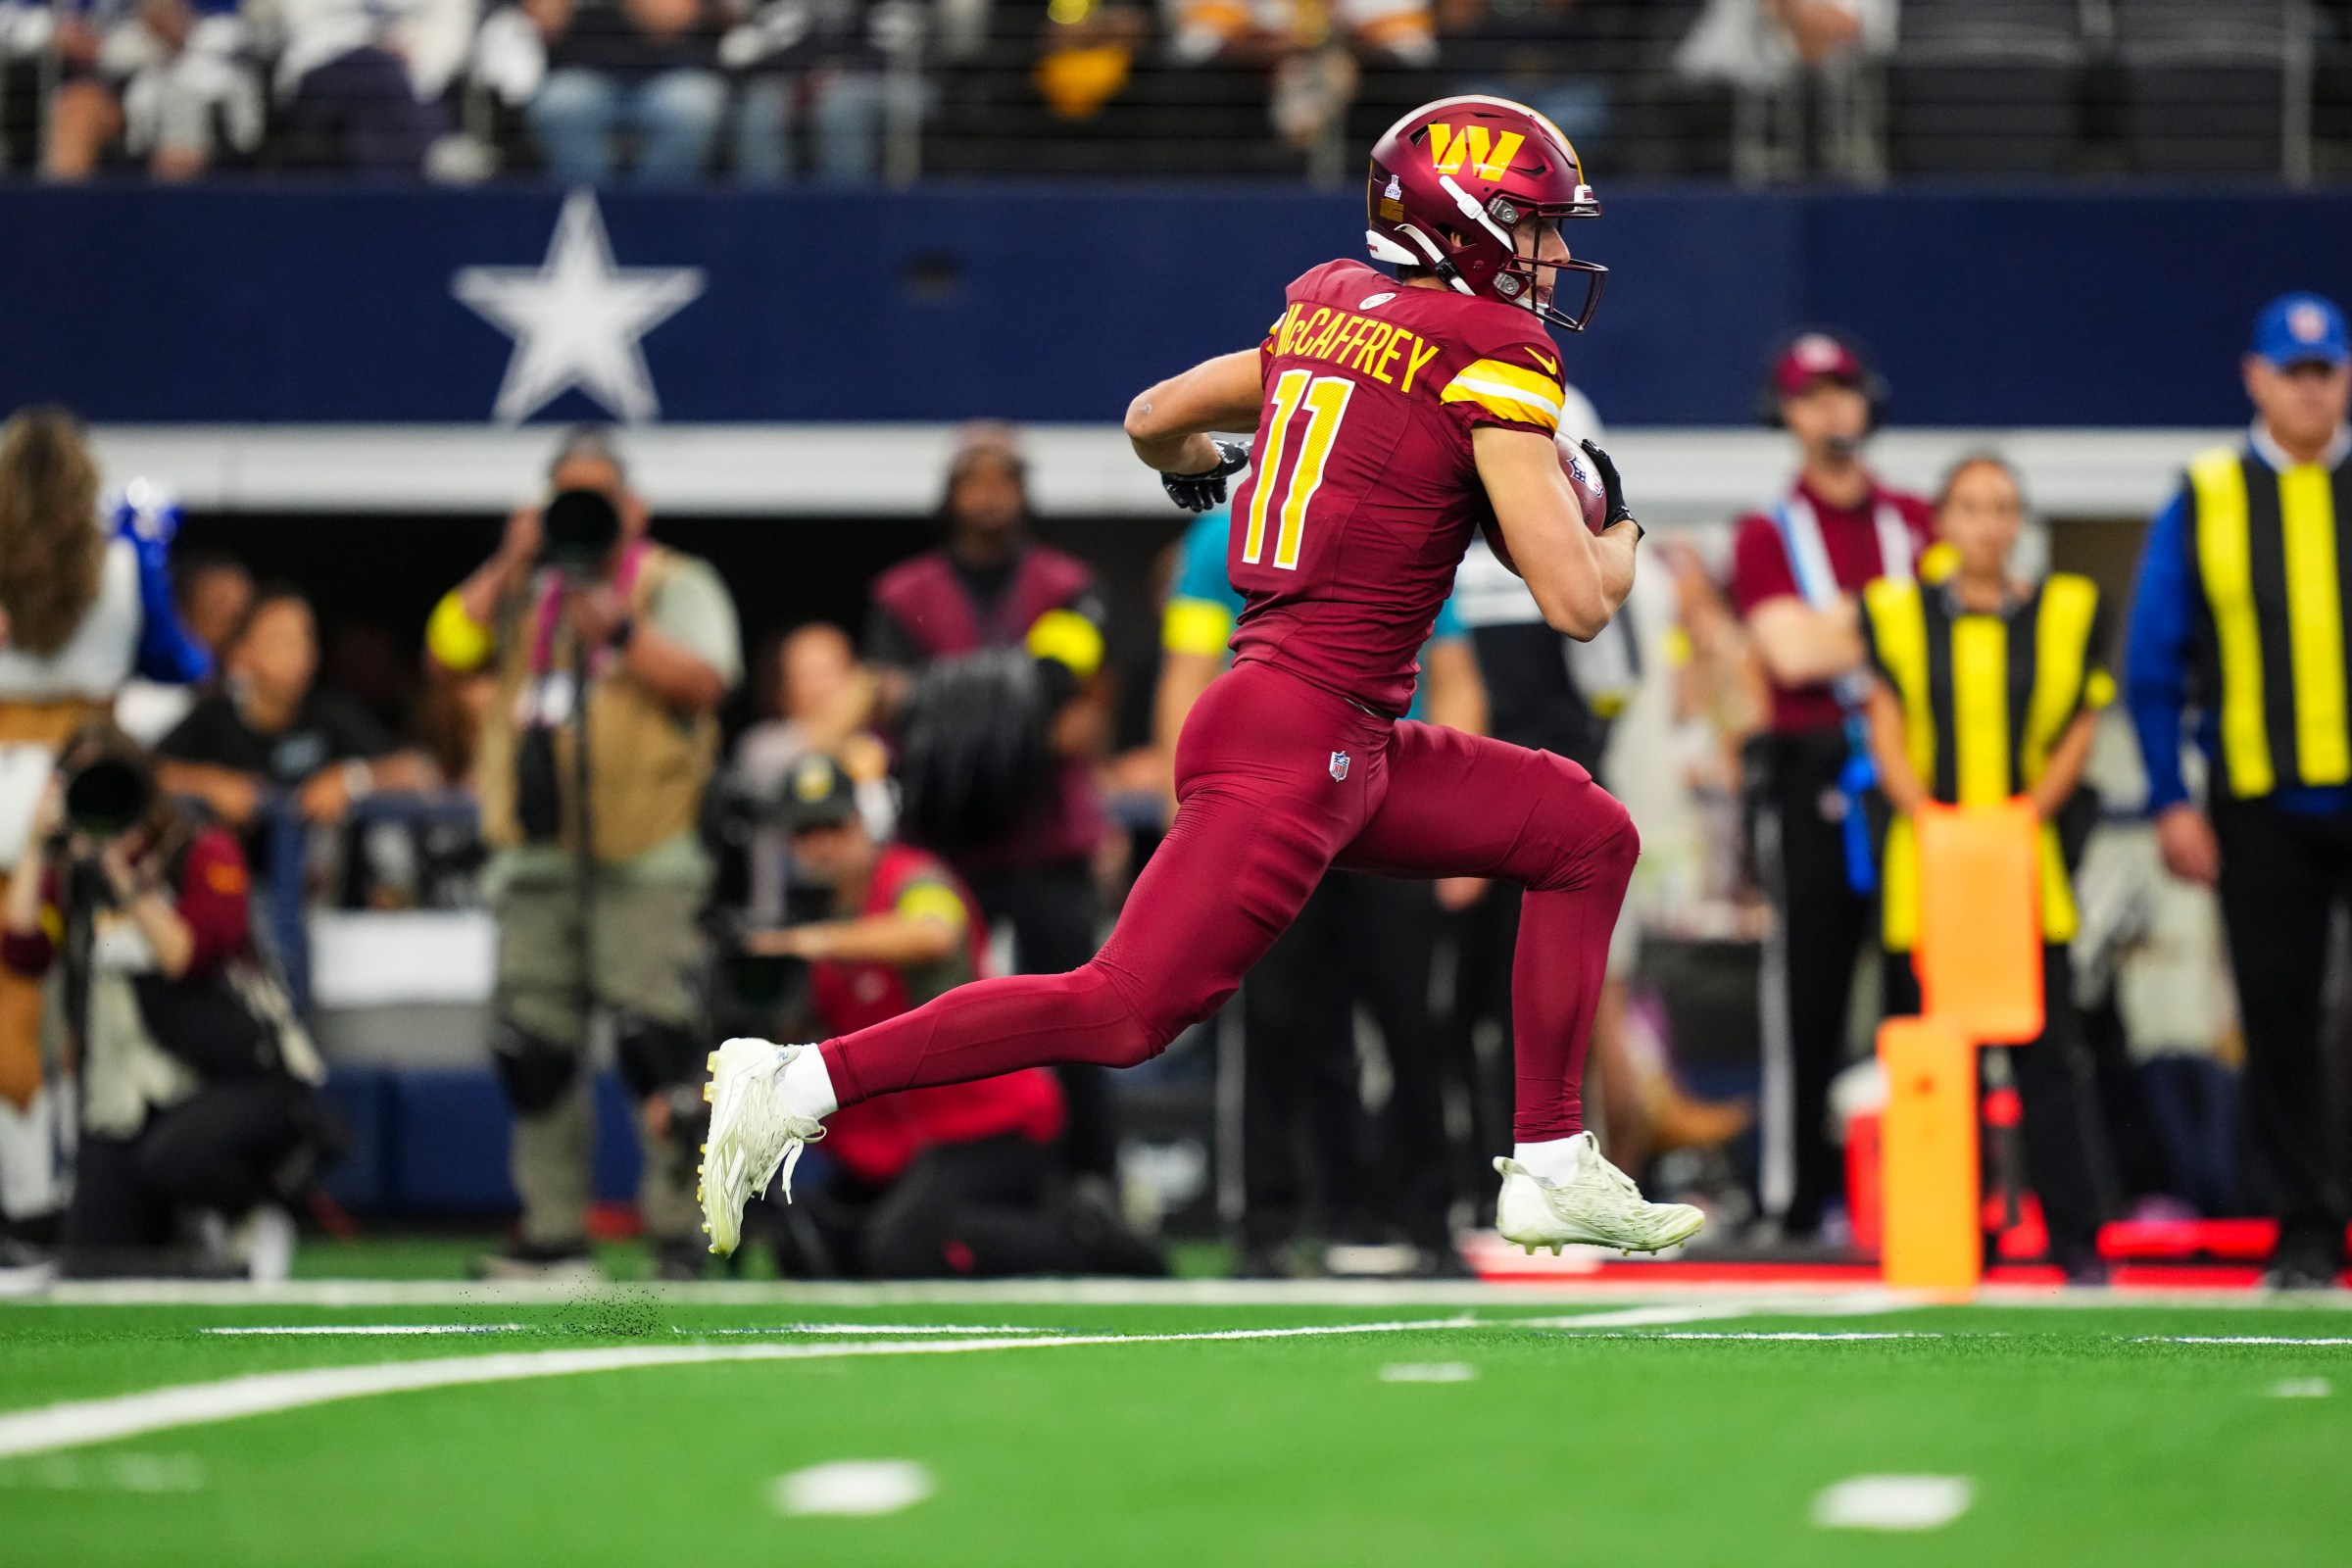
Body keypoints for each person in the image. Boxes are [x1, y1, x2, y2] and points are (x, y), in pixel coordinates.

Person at [697, 93, 1702, 1262]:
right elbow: (1580, 603)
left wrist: (1195, 471)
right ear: (1463, 226)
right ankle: (800, 1079)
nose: (1559, 255)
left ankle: (1548, 1162)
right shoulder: (1494, 354)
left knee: (1586, 833)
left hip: (1331, 730)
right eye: (1535, 226)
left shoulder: (1329, 312)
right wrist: (1620, 529)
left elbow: (1152, 416)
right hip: (1299, 740)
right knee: (1122, 1009)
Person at [426, 425, 742, 1281]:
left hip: (649, 855)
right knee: (533, 1048)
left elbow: (708, 682)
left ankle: (684, 1228)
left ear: (631, 508)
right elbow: (446, 650)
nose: (582, 516)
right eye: (566, 498)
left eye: (597, 499)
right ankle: (555, 1229)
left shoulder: (674, 581)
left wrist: (620, 630)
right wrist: (509, 561)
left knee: (659, 1047)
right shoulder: (524, 591)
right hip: (536, 856)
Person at [1155, 502, 1486, 1275]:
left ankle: (1430, 1221)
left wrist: (1465, 821)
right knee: (1270, 1021)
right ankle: (1264, 1227)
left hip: (1387, 801)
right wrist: (1192, 813)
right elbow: (1187, 672)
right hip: (1268, 807)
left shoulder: (1406, 518)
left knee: (1414, 1023)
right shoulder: (1224, 533)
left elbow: (1456, 676)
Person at [2126, 291, 2352, 1291]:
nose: (2312, 390)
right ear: (2257, 379)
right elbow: (2152, 664)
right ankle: (2305, 1228)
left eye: (2327, 371)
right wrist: (2172, 796)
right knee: (2277, 1020)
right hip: (2259, 806)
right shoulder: (2210, 492)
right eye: (2294, 373)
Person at [739, 755, 1160, 1277]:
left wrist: (813, 944)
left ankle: (1082, 1239)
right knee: (811, 1246)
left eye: (832, 826)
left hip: (993, 1120)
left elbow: (935, 932)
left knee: (902, 1249)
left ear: (859, 824)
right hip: (905, 1143)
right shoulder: (816, 917)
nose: (821, 844)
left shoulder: (911, 878)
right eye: (805, 832)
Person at [1859, 454, 2115, 1283]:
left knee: (2047, 1062)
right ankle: (1955, 1236)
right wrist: (1931, 821)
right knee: (1942, 1066)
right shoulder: (1894, 614)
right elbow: (1886, 727)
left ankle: (2076, 1240)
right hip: (1926, 872)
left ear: (2021, 523)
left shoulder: (2070, 614)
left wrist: (2023, 815)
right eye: (1971, 507)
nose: (1988, 524)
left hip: (2024, 871)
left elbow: (2081, 723)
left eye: (2003, 507)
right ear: (1942, 520)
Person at [863, 422, 1120, 1184]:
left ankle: (1090, 1190)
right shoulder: (901, 593)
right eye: (974, 481)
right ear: (951, 495)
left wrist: (958, 712)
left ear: (1022, 491)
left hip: (1048, 839)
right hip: (945, 843)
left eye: (1002, 480)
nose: (989, 496)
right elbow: (889, 704)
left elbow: (1078, 711)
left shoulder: (1069, 585)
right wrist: (1007, 715)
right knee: (941, 1027)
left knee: (1079, 1021)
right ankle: (939, 1182)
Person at [1727, 328, 1934, 1244]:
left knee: (1917, 990)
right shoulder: (1768, 532)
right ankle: (1794, 1201)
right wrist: (1888, 621)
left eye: (1843, 392)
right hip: (1811, 776)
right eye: (1811, 398)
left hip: (1914, 777)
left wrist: (1841, 629)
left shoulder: (1915, 518)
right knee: (1803, 995)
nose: (1831, 412)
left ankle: (1927, 1194)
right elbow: (1790, 653)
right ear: (1788, 415)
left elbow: (1932, 646)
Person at [0, 414, 211, 1266]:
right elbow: (183, 666)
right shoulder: (127, 562)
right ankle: (69, 1203)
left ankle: (34, 1206)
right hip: (100, 794)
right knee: (96, 1005)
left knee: (19, 1003)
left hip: (17, 800)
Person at [3, 724, 324, 1279]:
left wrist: (124, 880)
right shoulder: (76, 871)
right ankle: (188, 1236)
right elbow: (23, 949)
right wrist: (37, 844)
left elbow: (187, 957)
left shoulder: (201, 849)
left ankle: (252, 1212)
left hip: (235, 1075)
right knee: (93, 1266)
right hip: (129, 1095)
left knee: (174, 1156)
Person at [155, 584, 440, 877]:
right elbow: (148, 770)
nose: (297, 652)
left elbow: (418, 769)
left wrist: (354, 779)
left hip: (317, 899)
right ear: (242, 653)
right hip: (232, 891)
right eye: (280, 639)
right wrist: (208, 784)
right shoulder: (213, 718)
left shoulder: (329, 713)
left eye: (305, 637)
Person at [521, 0, 729, 183]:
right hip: (580, 72)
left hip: (669, 75)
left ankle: (655, 217)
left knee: (690, 109)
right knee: (559, 105)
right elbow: (547, 27)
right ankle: (591, 211)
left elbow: (669, 21)